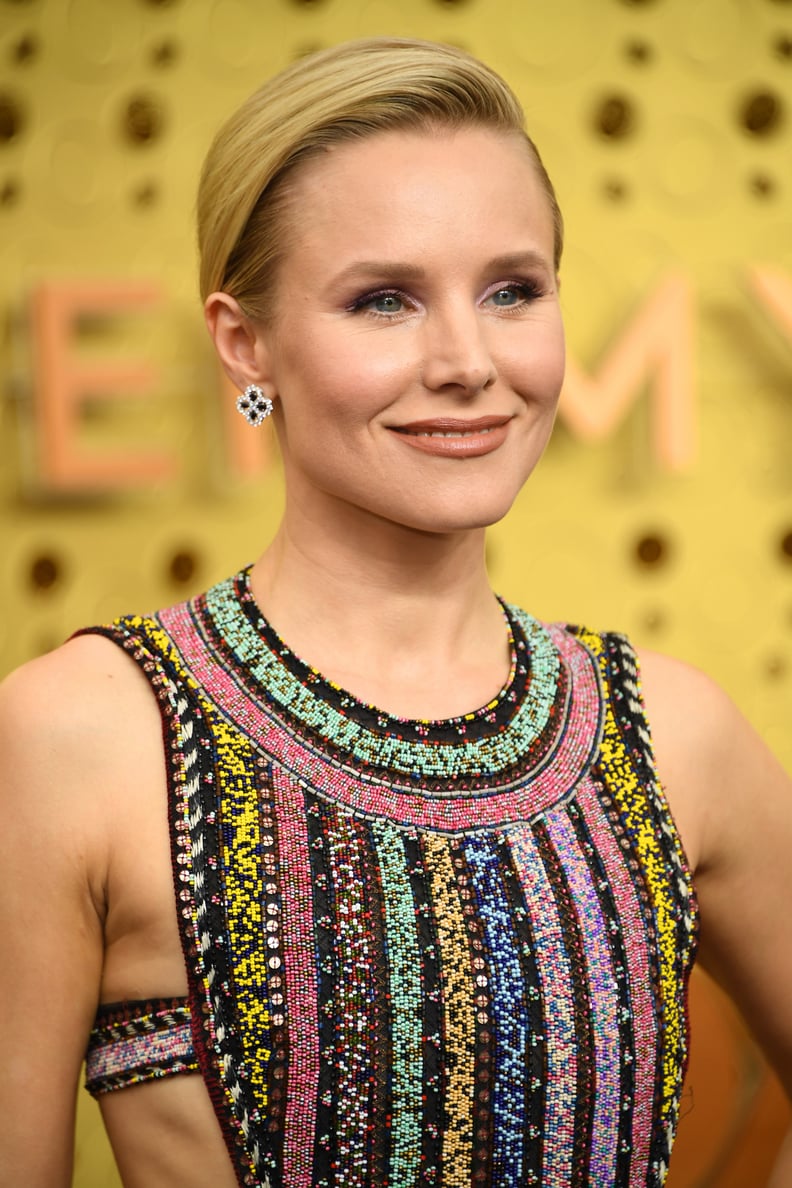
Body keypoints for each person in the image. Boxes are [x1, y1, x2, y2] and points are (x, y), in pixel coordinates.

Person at [0, 36, 790, 1188]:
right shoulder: (82, 735)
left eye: (513, 290)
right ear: (245, 342)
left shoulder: (674, 735)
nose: (469, 360)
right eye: (384, 301)